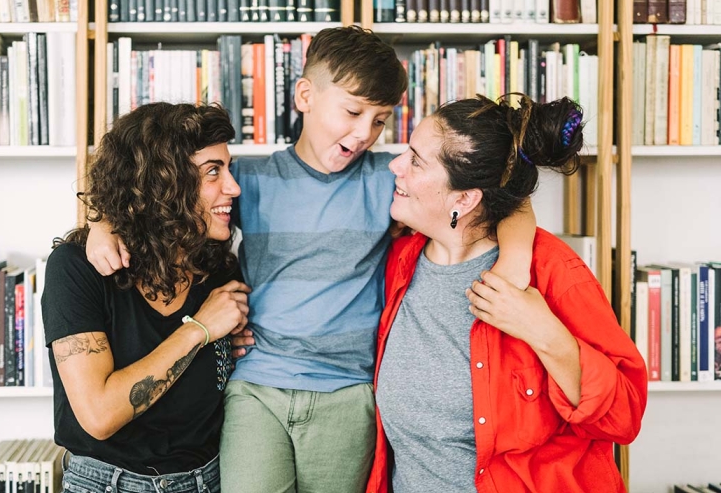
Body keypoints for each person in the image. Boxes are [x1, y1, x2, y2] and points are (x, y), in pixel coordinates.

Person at [85, 27, 535, 493]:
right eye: (353, 111)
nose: (365, 133)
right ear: (305, 95)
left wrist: (514, 263)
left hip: (347, 393)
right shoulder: (248, 182)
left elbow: (509, 198)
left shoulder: (391, 180)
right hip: (258, 386)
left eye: (380, 121)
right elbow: (164, 203)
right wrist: (103, 224)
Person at [367, 95, 649, 493]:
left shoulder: (552, 272)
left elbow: (623, 417)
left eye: (415, 160)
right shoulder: (398, 262)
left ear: (463, 199)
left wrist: (543, 332)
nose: (394, 165)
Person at [42, 102, 251, 493]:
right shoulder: (78, 268)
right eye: (212, 172)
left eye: (229, 168)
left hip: (211, 479)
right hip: (108, 484)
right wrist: (200, 330)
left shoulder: (218, 266)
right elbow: (99, 415)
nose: (234, 187)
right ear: (162, 184)